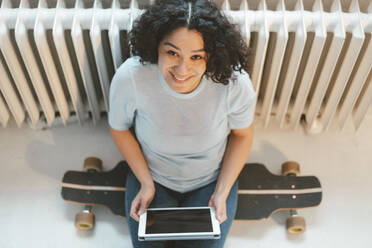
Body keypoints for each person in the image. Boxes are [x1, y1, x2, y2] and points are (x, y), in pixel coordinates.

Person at [108, 0, 256, 247]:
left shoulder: (235, 84)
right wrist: (145, 183)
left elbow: (242, 135)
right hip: (152, 177)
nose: (182, 69)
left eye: (196, 57)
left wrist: (221, 192)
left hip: (209, 181)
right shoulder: (131, 77)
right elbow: (119, 128)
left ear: (211, 56)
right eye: (172, 52)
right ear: (156, 46)